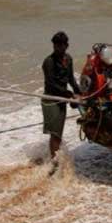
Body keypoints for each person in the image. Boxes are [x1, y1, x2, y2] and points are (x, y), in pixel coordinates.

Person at [42, 31, 81, 164]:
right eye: (55, 45)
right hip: (51, 100)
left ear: (66, 46)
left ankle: (55, 158)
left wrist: (78, 91)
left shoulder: (68, 59)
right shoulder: (49, 62)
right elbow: (51, 85)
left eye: (60, 46)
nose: (57, 48)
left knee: (59, 132)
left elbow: (71, 79)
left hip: (62, 99)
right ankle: (54, 162)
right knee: (55, 133)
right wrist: (70, 95)